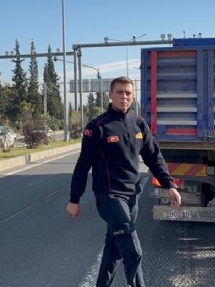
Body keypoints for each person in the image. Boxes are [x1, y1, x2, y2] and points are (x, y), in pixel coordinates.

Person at [66, 76, 181, 287]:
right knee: (133, 249)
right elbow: (83, 165)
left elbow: (154, 157)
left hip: (132, 196)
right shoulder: (98, 127)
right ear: (110, 95)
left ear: (133, 95)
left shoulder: (138, 124)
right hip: (109, 196)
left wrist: (169, 185)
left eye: (128, 92)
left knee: (113, 249)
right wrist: (75, 199)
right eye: (119, 92)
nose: (124, 96)